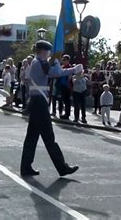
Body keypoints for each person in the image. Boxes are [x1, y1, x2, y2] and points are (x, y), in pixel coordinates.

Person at [20, 40, 81, 177]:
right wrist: (73, 69)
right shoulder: (39, 62)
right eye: (48, 51)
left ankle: (26, 167)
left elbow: (52, 72)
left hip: (37, 102)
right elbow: (55, 73)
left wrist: (59, 64)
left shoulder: (37, 63)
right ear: (42, 51)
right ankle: (62, 167)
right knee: (49, 138)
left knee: (32, 137)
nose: (49, 54)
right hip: (39, 103)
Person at [59, 55, 73, 120]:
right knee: (64, 100)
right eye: (63, 60)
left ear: (68, 60)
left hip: (67, 86)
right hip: (62, 85)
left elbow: (70, 77)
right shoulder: (63, 67)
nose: (63, 61)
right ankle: (65, 113)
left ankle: (67, 114)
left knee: (67, 101)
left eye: (64, 60)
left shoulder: (69, 67)